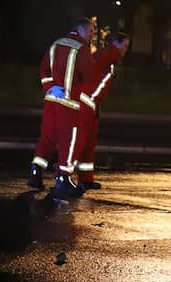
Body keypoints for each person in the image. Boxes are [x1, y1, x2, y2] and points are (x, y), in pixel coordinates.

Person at [26, 18, 97, 199]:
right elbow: (89, 74)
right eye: (90, 31)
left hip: (52, 100)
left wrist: (50, 87)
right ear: (80, 30)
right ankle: (63, 180)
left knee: (47, 137)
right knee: (68, 141)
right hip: (69, 104)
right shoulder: (82, 48)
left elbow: (44, 70)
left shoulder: (55, 44)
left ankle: (35, 171)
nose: (92, 35)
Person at [73, 31, 130, 191]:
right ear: (116, 44)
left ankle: (86, 178)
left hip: (91, 102)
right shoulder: (107, 57)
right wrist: (91, 99)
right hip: (88, 102)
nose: (126, 49)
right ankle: (64, 177)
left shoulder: (106, 56)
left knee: (88, 142)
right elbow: (93, 78)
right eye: (124, 45)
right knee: (81, 141)